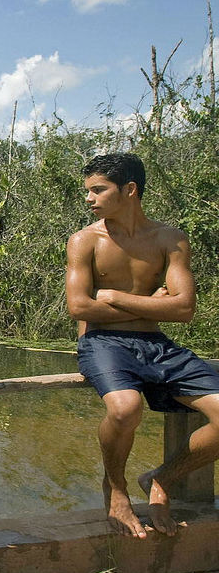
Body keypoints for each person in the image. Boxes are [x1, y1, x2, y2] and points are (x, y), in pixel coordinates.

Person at [66, 152, 219, 539]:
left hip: (156, 344)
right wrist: (151, 304)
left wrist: (114, 297)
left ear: (129, 189)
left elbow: (184, 309)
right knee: (125, 408)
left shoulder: (170, 239)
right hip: (102, 343)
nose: (89, 198)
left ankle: (161, 478)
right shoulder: (85, 241)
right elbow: (79, 307)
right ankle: (116, 487)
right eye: (88, 191)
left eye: (98, 190)